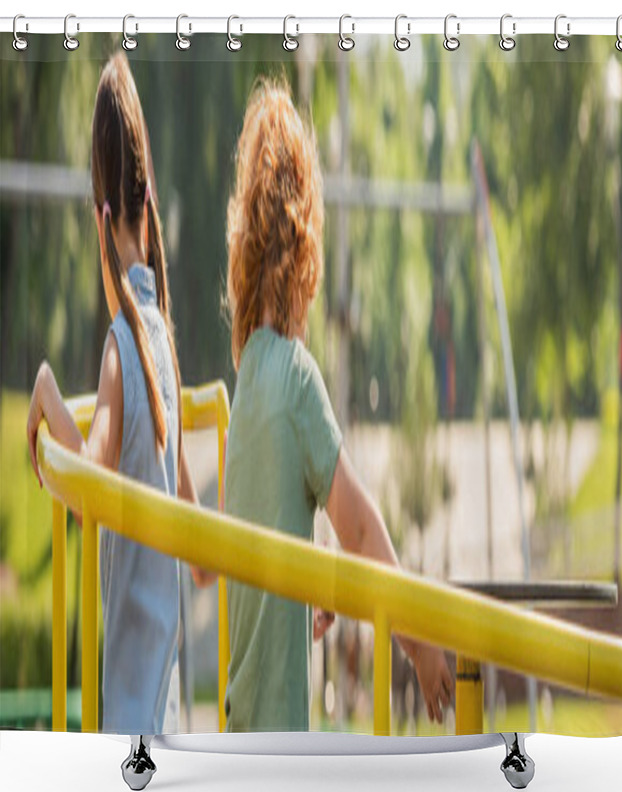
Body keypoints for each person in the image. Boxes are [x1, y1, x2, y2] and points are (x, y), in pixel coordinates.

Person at [222, 77, 454, 733]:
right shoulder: (295, 376)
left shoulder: (249, 383)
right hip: (276, 729)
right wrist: (420, 644)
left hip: (246, 716)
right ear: (307, 254)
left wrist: (310, 586)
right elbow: (359, 528)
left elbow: (264, 542)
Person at [26, 52, 209, 737]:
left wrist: (46, 392)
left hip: (127, 722)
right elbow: (200, 563)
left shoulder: (119, 348)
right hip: (169, 714)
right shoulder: (163, 342)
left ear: (97, 211)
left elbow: (91, 483)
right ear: (146, 197)